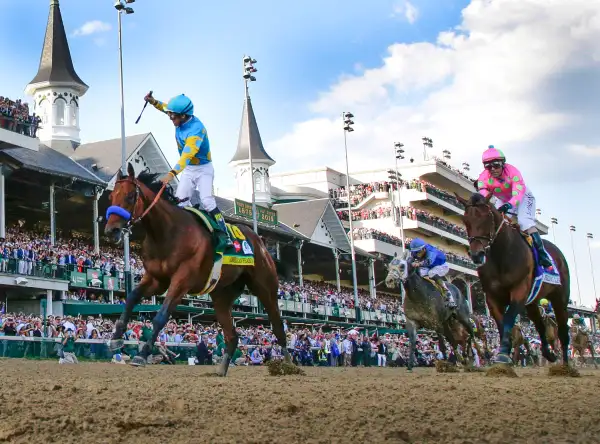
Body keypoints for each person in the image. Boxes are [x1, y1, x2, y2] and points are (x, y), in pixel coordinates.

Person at [144, 92, 232, 246]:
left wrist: (171, 174)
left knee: (207, 201)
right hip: (190, 169)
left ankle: (225, 234)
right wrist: (152, 101)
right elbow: (165, 108)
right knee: (180, 203)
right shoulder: (179, 115)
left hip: (203, 169)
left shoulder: (196, 131)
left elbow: (186, 156)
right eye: (170, 116)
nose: (171, 119)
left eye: (173, 117)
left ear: (184, 116)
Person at [477, 145, 551, 268]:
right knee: (495, 222)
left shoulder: (513, 172)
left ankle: (542, 255)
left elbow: (518, 193)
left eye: (496, 165)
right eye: (488, 167)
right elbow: (484, 195)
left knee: (524, 222)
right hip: (503, 199)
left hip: (522, 197)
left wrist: (509, 205)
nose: (493, 169)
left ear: (502, 163)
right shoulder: (483, 178)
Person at [409, 238, 456, 308]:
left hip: (441, 266)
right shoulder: (415, 252)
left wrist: (418, 263)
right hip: (429, 267)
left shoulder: (431, 251)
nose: (416, 254)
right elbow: (410, 260)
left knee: (431, 273)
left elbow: (428, 261)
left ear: (423, 249)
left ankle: (448, 296)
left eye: (417, 252)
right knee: (420, 273)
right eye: (415, 252)